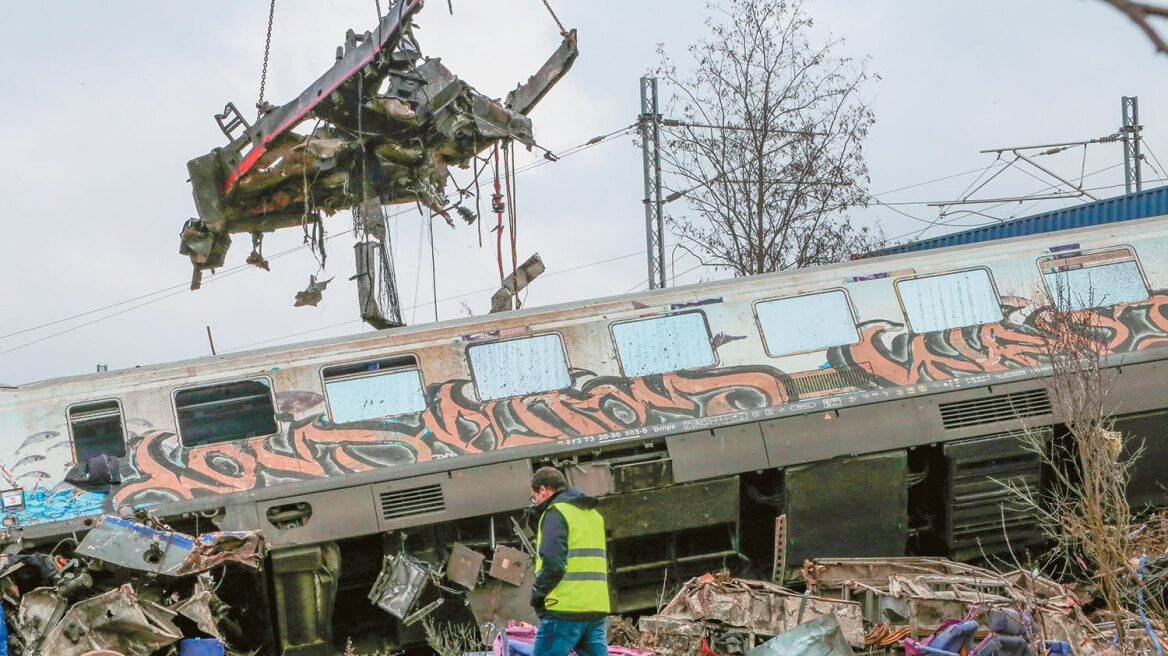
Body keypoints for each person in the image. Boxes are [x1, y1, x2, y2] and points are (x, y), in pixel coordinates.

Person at [529, 466, 610, 656]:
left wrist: (538, 594)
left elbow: (553, 563)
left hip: (564, 610)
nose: (536, 501)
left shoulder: (555, 513)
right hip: (595, 609)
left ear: (543, 490)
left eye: (534, 497)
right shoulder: (593, 516)